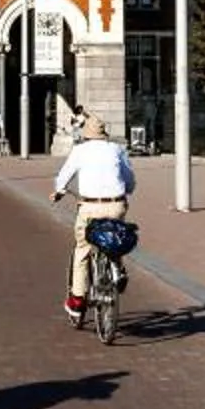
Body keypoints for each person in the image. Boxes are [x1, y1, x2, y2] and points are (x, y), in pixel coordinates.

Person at [51, 113, 137, 323]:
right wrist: (126, 189)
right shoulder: (117, 149)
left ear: (86, 134)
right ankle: (117, 268)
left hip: (90, 206)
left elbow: (63, 176)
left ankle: (77, 302)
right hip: (116, 204)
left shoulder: (80, 151)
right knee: (115, 234)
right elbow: (129, 180)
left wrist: (60, 190)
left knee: (83, 248)